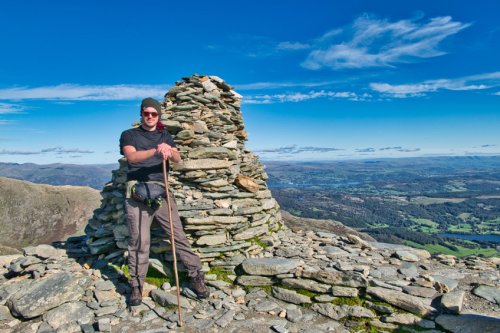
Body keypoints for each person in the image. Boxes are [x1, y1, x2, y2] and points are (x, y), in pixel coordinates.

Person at [120, 97, 209, 306]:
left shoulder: (165, 135)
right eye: (146, 113)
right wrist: (156, 151)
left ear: (158, 115)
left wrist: (171, 152)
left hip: (161, 191)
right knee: (139, 241)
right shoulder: (129, 135)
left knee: (178, 236)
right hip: (137, 194)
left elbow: (177, 159)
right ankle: (136, 285)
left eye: (154, 114)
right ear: (141, 114)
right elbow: (131, 158)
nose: (150, 117)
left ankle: (196, 276)